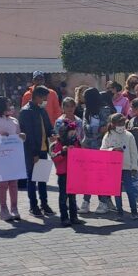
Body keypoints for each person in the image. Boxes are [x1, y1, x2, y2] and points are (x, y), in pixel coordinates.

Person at [0, 97, 23, 222]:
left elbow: (18, 136)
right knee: (3, 183)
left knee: (13, 183)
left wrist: (21, 136)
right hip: (0, 156)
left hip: (13, 156)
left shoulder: (14, 121)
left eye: (10, 105)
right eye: (8, 105)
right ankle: (3, 209)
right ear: (0, 107)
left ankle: (14, 207)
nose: (10, 107)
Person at [20, 86, 56, 218]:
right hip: (32, 152)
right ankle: (33, 206)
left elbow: (48, 127)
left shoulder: (42, 110)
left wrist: (52, 134)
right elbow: (27, 135)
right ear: (37, 97)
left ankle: (44, 204)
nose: (46, 100)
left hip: (43, 149)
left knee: (42, 179)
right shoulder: (26, 112)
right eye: (44, 98)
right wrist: (34, 153)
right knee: (32, 180)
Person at [80, 87, 113, 214]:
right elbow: (85, 128)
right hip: (88, 146)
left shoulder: (105, 110)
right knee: (88, 176)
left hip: (101, 146)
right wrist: (95, 130)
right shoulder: (86, 111)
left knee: (100, 176)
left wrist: (93, 130)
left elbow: (105, 128)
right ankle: (86, 201)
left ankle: (103, 202)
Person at [101, 113, 138, 220]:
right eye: (119, 123)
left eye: (123, 123)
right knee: (117, 192)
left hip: (127, 168)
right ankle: (120, 212)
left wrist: (134, 167)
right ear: (113, 124)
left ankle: (134, 212)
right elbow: (102, 150)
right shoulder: (108, 135)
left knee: (130, 190)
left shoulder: (129, 135)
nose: (121, 125)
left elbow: (134, 152)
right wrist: (112, 149)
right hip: (114, 168)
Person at [53, 97, 82, 226]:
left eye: (72, 106)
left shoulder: (76, 141)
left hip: (73, 170)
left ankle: (74, 216)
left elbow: (80, 149)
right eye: (67, 106)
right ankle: (64, 217)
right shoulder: (59, 143)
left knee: (73, 195)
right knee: (63, 196)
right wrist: (63, 151)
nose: (70, 109)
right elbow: (55, 156)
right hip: (63, 171)